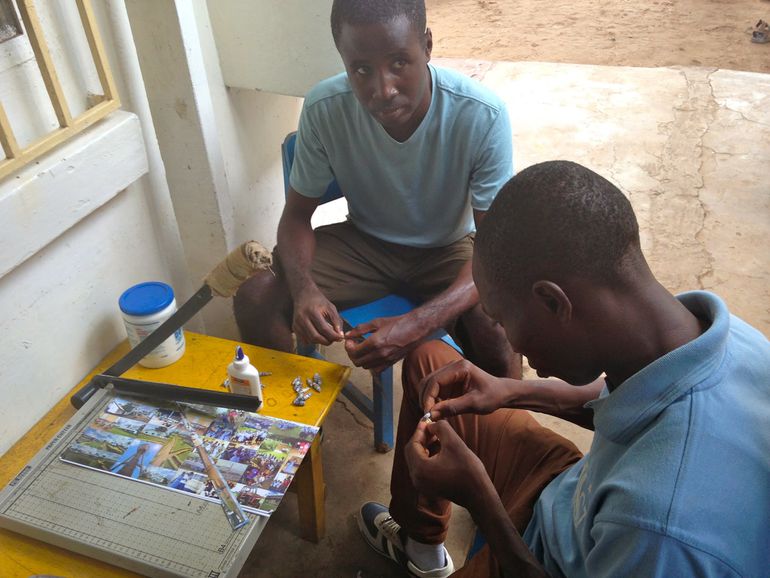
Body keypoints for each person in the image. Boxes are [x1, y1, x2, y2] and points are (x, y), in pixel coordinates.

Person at [357, 161, 770, 577]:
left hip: (547, 561)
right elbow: (634, 401)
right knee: (430, 363)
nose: (511, 343)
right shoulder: (719, 339)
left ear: (554, 303)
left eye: (504, 320)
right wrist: (511, 390)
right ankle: (422, 551)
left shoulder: (657, 530)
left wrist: (478, 496)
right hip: (572, 498)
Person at [234, 0, 520, 378]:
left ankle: (504, 415)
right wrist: (304, 290)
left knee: (496, 332)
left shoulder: (481, 115)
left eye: (399, 62)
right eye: (361, 69)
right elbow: (297, 217)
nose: (383, 89)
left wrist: (416, 323)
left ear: (427, 46)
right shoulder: (325, 107)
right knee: (256, 298)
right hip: (364, 243)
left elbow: (494, 251)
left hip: (448, 248)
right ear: (344, 61)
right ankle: (289, 410)